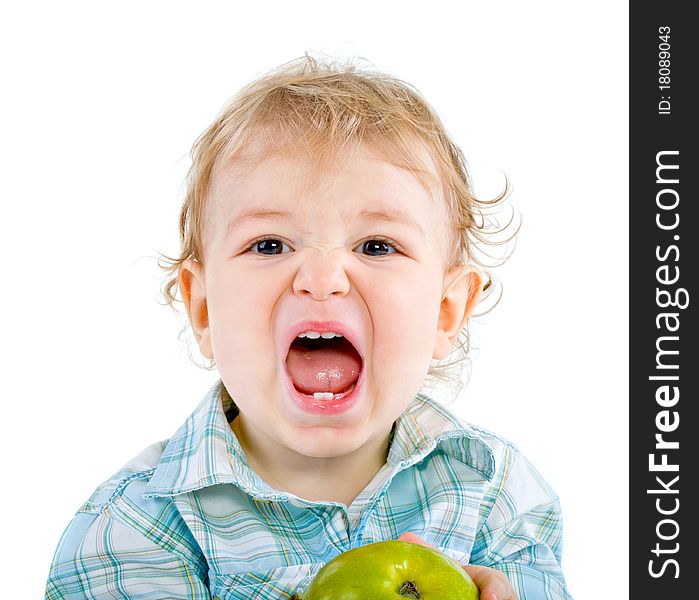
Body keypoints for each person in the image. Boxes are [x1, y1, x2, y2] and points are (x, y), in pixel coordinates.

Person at [46, 55, 572, 600]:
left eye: (376, 246)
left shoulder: (499, 494)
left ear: (446, 312)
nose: (322, 279)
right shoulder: (130, 531)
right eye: (270, 245)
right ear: (202, 309)